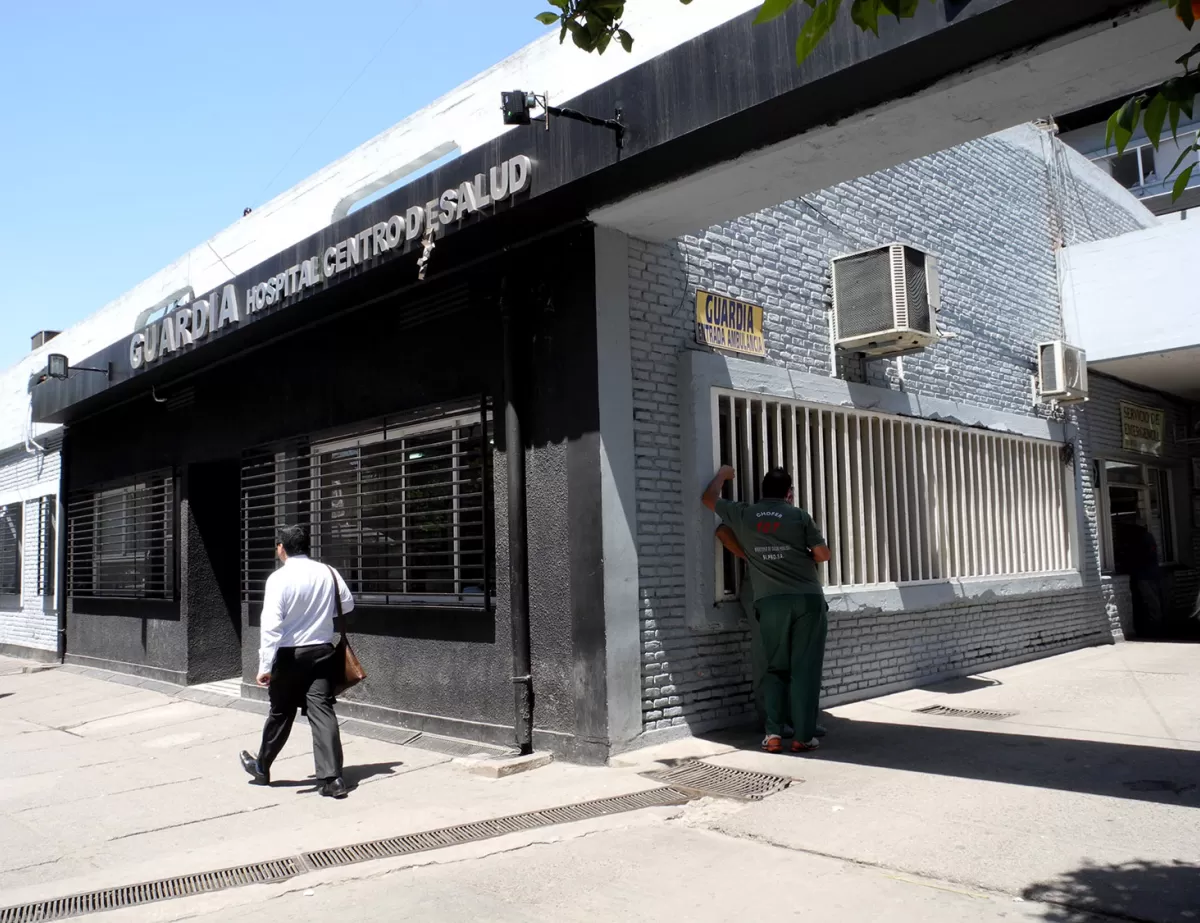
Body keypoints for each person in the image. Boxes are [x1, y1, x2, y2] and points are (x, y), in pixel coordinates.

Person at [704, 465, 831, 754]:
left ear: (763, 492)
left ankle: (773, 734)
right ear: (789, 493)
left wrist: (723, 475)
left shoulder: (745, 513)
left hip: (769, 601)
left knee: (774, 667)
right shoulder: (798, 515)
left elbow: (709, 501)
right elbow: (823, 555)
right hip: (806, 600)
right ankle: (803, 735)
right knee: (805, 668)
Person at [239, 524, 354, 798]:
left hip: (290, 655)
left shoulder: (278, 579)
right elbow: (347, 604)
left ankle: (262, 767)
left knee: (281, 712)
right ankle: (333, 779)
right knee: (322, 711)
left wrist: (265, 667)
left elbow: (270, 627)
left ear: (282, 547)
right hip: (323, 651)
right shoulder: (328, 572)